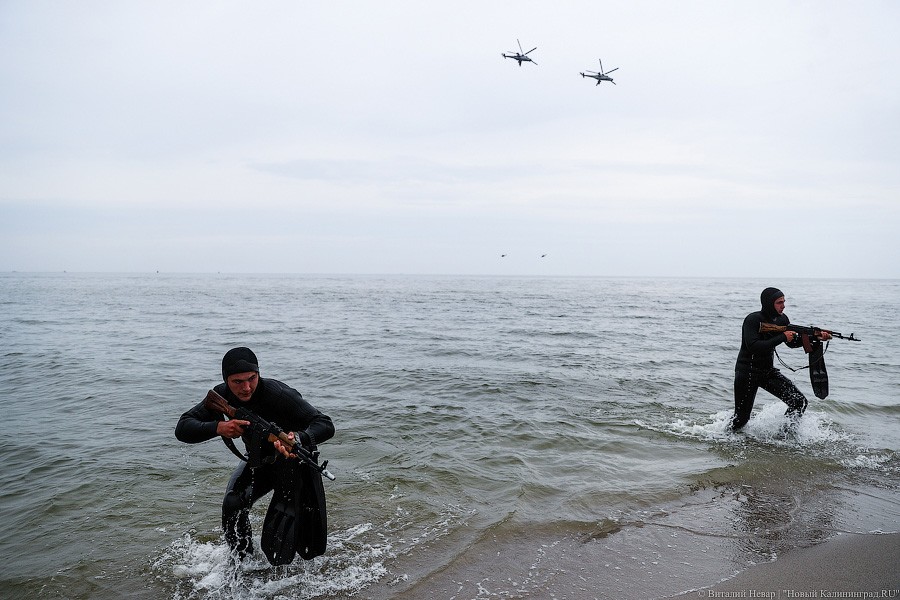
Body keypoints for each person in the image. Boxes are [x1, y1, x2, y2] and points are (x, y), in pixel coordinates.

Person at [175, 347, 334, 559]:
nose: (247, 388)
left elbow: (325, 424)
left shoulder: (279, 395)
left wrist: (295, 438)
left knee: (303, 534)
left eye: (252, 378)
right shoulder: (221, 395)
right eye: (237, 382)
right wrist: (219, 428)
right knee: (233, 504)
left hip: (296, 463)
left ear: (259, 374)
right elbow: (183, 428)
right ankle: (244, 564)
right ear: (226, 380)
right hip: (260, 463)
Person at [730, 287, 830, 431]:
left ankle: (784, 438)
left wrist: (815, 338)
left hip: (768, 372)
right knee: (741, 419)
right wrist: (782, 336)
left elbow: (791, 343)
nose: (783, 305)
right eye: (779, 302)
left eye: (784, 301)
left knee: (799, 402)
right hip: (747, 372)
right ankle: (723, 440)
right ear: (768, 303)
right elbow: (753, 346)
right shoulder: (753, 319)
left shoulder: (783, 319)